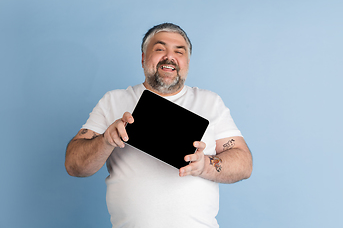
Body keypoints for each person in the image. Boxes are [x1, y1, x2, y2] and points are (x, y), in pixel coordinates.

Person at [65, 23, 253, 228]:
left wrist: (205, 165)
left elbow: (244, 163)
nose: (169, 57)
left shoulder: (209, 102)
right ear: (144, 58)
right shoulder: (113, 101)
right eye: (160, 49)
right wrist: (105, 140)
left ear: (187, 62)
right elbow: (74, 166)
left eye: (179, 51)